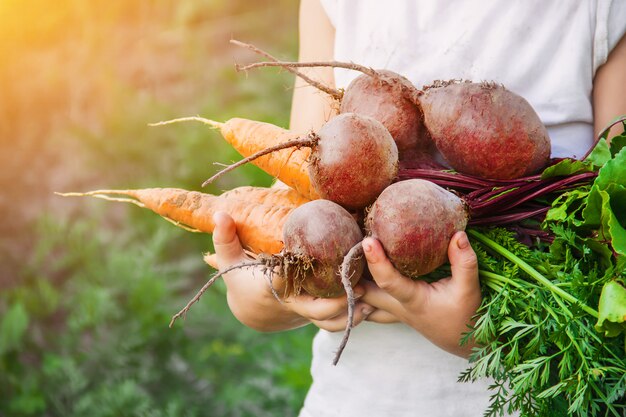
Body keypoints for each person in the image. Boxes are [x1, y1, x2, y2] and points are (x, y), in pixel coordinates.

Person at [212, 1, 626, 415]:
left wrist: (476, 335)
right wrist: (268, 292)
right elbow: (302, 195)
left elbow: (613, 234)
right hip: (354, 400)